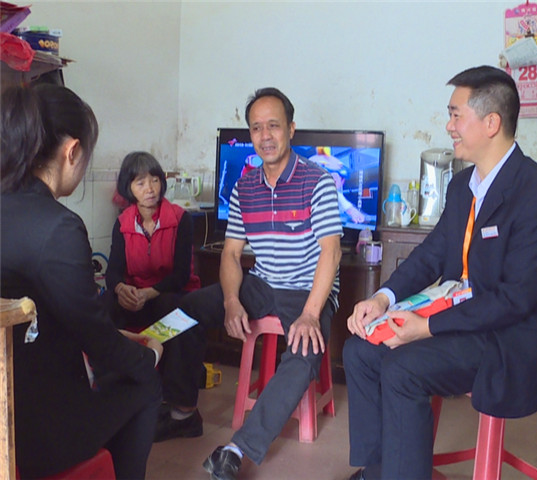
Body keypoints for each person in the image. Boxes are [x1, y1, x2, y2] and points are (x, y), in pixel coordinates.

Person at [343, 65, 537, 480]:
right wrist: (382, 298)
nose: (448, 126)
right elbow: (432, 254)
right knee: (360, 351)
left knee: (402, 367)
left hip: (508, 338)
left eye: (455, 115)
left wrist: (426, 328)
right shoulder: (463, 186)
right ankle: (380, 470)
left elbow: (514, 299)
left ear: (491, 123)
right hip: (459, 316)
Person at [0, 84, 163, 479]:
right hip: (34, 437)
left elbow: (58, 320)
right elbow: (99, 344)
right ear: (72, 151)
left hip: (4, 415)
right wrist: (150, 356)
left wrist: (111, 335)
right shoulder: (59, 227)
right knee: (145, 384)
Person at [179, 87, 343, 480]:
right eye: (256, 128)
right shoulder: (244, 187)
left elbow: (332, 253)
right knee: (187, 309)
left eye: (273, 126)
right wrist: (231, 301)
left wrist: (310, 314)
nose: (265, 135)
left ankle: (237, 450)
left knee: (303, 353)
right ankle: (179, 410)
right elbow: (231, 254)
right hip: (263, 283)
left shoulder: (317, 181)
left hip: (307, 292)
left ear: (291, 129)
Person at [103, 151, 204, 442]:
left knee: (176, 313)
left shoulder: (180, 219)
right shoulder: (123, 223)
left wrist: (147, 293)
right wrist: (121, 290)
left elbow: (181, 275)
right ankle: (110, 394)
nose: (150, 189)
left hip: (171, 294)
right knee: (103, 308)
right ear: (128, 189)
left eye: (155, 180)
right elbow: (113, 272)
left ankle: (183, 413)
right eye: (140, 183)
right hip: (137, 297)